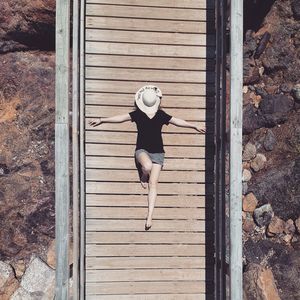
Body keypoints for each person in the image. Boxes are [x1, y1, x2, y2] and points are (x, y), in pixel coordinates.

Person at [88, 85, 206, 231]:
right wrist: (102, 120)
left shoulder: (161, 115)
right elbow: (121, 118)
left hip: (158, 153)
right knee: (148, 167)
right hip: (141, 151)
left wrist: (194, 126)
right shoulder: (137, 115)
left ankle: (150, 215)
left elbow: (178, 121)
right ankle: (143, 173)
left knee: (154, 184)